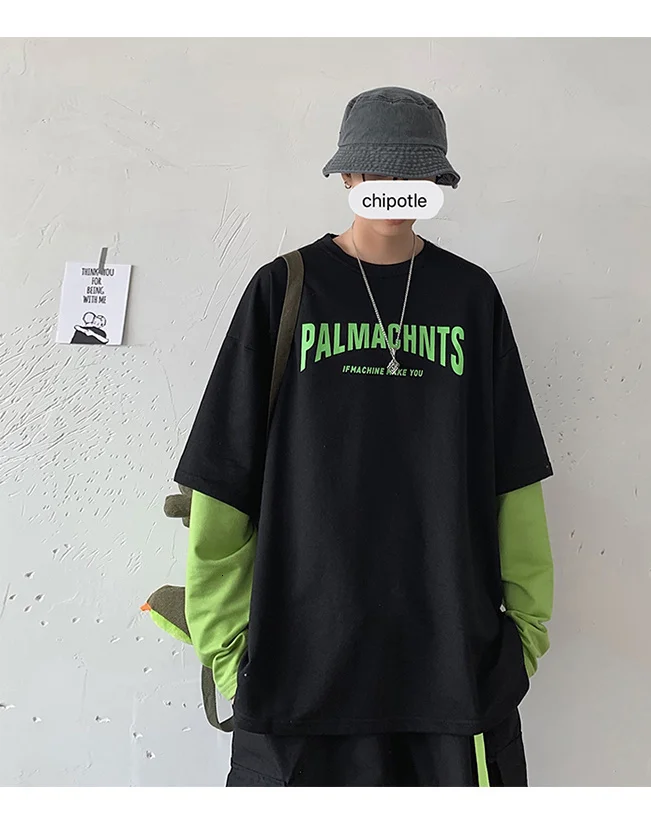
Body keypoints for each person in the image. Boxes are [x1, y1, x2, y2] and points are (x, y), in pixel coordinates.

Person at [174, 86, 554, 787]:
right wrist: (230, 653)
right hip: (299, 679)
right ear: (347, 174)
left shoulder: (470, 297)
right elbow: (222, 481)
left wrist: (522, 640)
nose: (393, 189)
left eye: (412, 173)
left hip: (453, 679)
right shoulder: (284, 290)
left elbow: (514, 479)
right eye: (378, 170)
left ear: (437, 181)